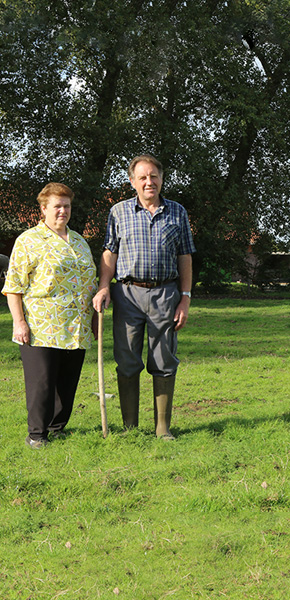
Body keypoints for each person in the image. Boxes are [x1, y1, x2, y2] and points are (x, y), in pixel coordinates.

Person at [92, 155, 195, 439]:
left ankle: (163, 429)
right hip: (127, 293)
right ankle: (130, 428)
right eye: (143, 177)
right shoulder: (118, 212)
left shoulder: (177, 212)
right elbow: (109, 253)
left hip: (166, 294)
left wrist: (185, 297)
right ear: (132, 182)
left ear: (161, 179)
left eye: (154, 176)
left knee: (163, 359)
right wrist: (104, 287)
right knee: (126, 360)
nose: (149, 182)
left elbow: (185, 256)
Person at [2, 183, 97, 448]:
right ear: (43, 208)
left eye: (67, 206)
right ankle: (36, 434)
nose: (63, 211)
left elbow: (90, 282)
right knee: (42, 382)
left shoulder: (79, 241)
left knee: (67, 381)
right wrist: (19, 322)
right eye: (57, 206)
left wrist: (93, 319)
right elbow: (14, 287)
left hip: (76, 325)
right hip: (41, 325)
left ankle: (57, 427)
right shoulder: (28, 240)